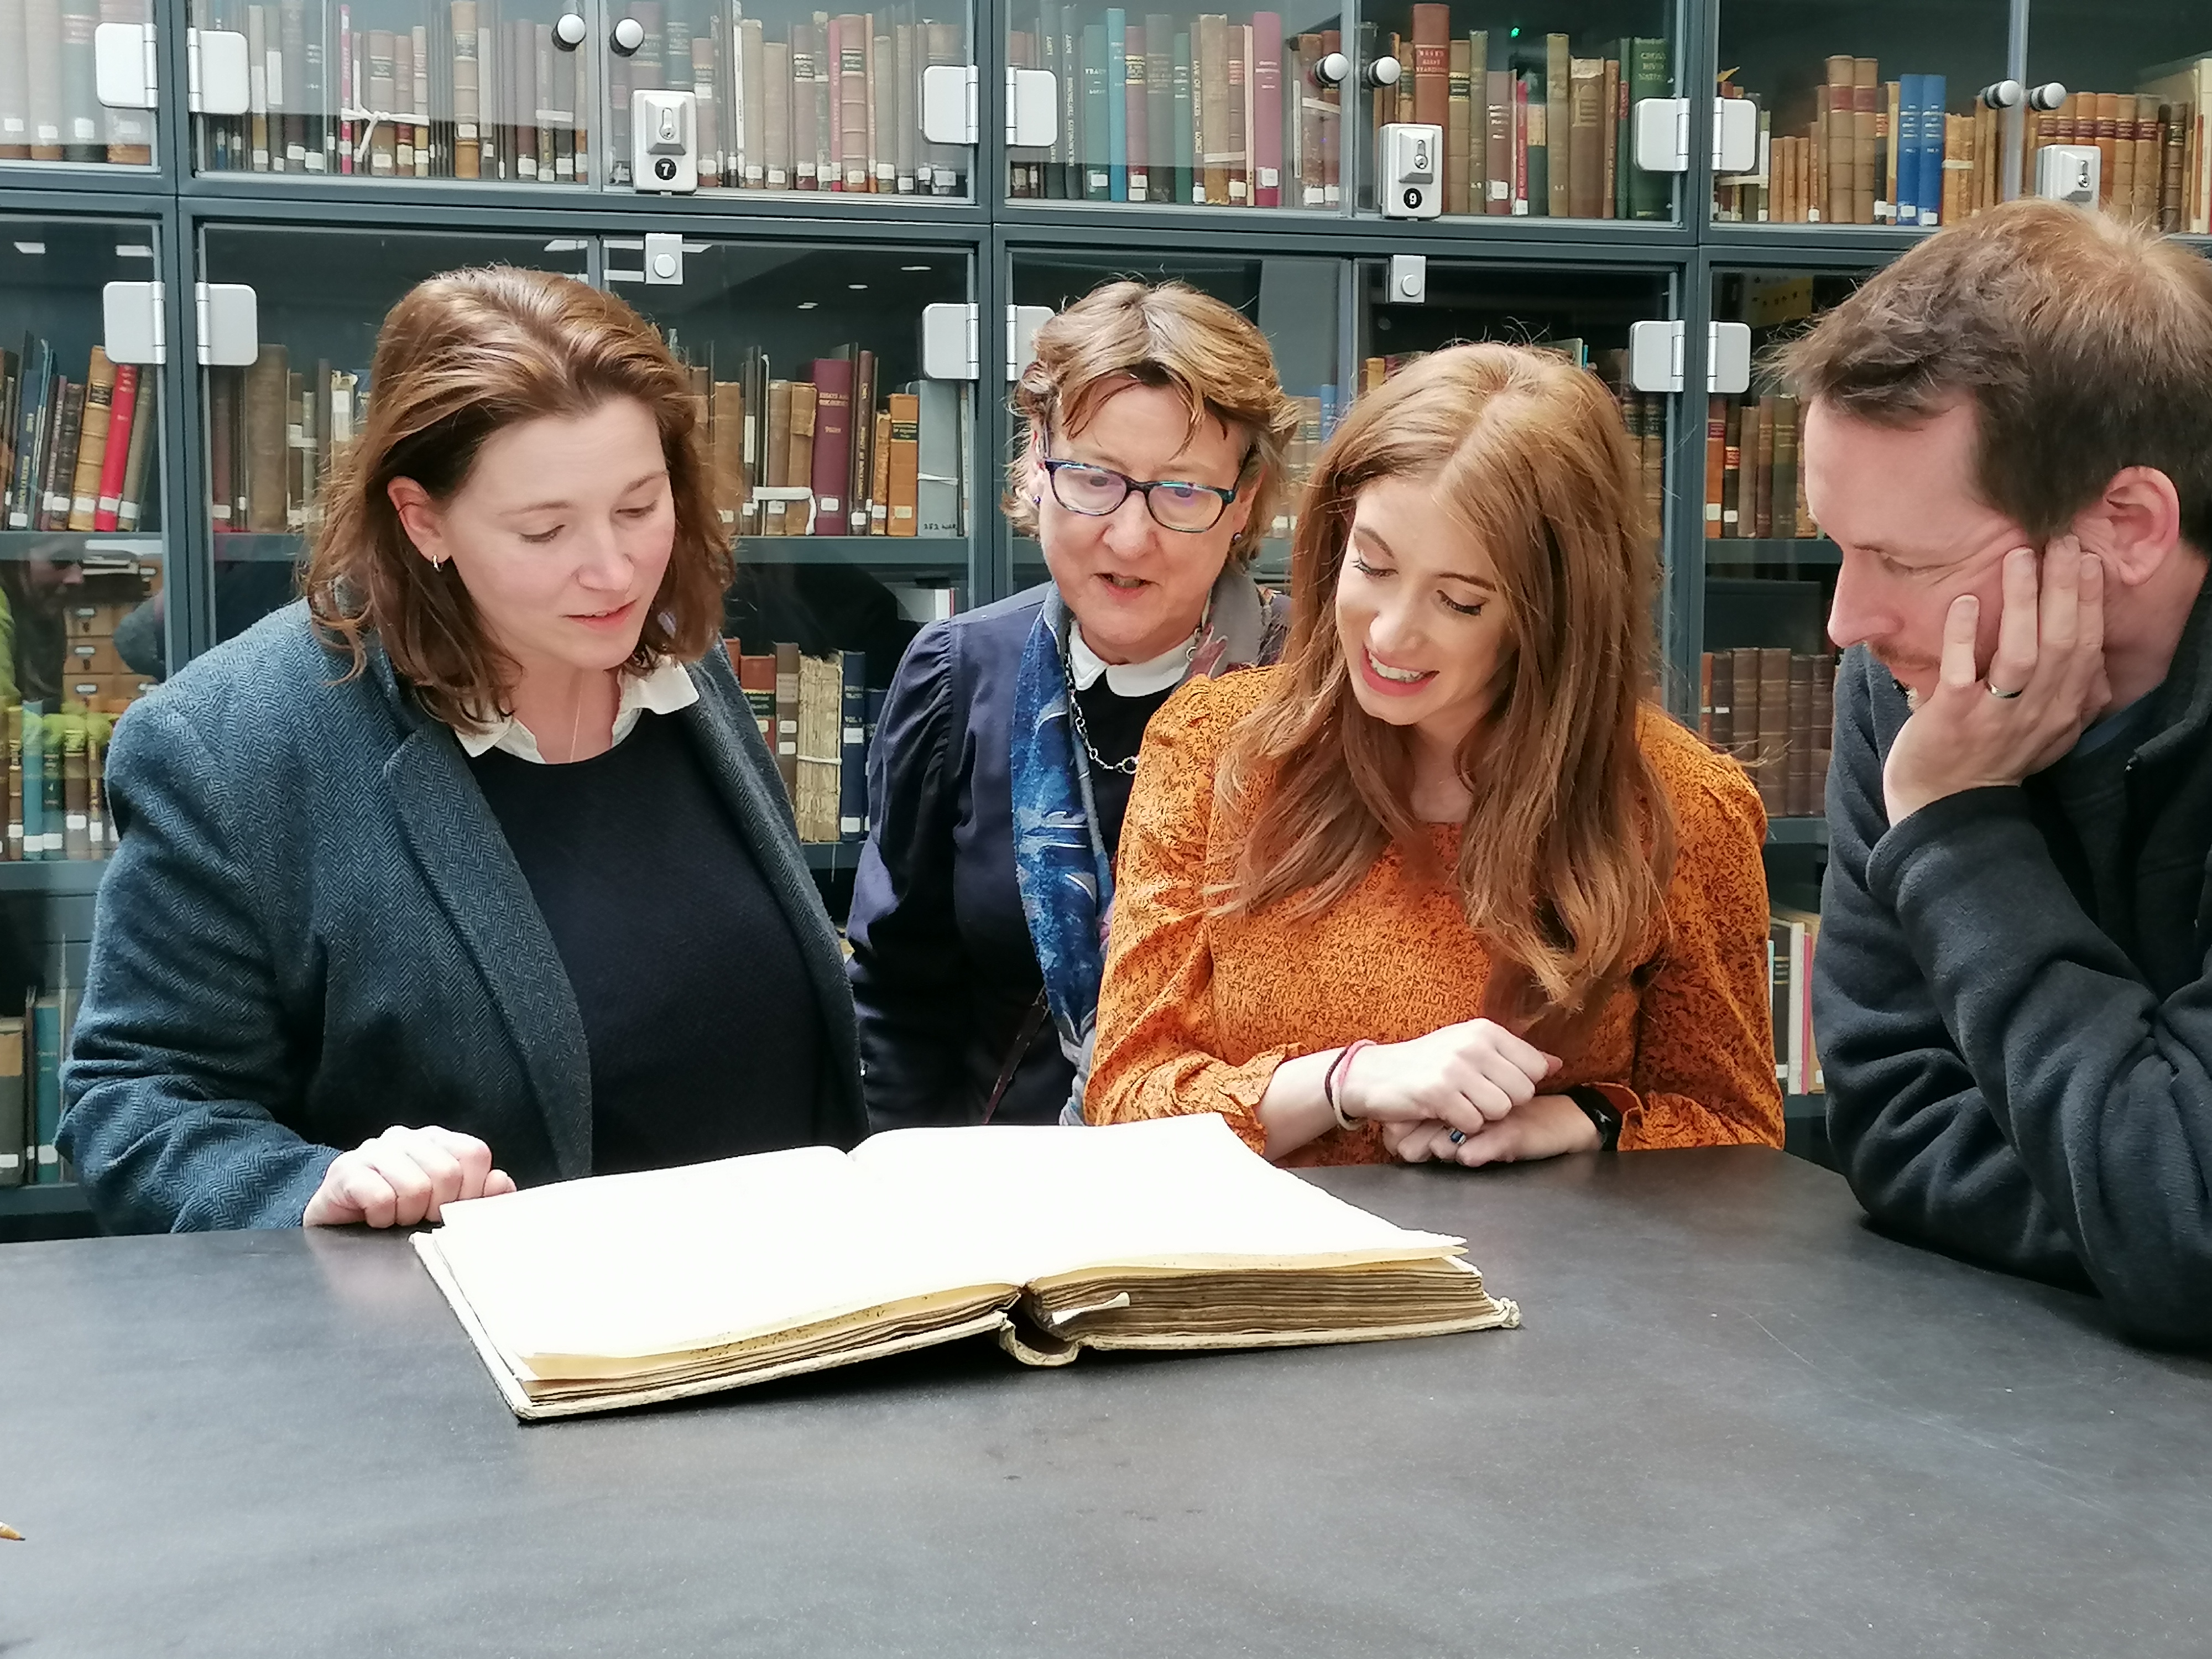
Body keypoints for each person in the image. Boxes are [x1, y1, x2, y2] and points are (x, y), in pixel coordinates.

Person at [59, 267, 865, 1233]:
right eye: (544, 529)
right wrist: (318, 1187)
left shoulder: (682, 672)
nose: (613, 570)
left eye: (640, 506)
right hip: (466, 1320)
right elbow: (136, 1103)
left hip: (788, 1302)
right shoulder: (227, 745)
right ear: (422, 518)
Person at [1086, 343, 1782, 1165]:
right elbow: (1126, 1102)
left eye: (1459, 602)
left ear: (1554, 613)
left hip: (1538, 1251)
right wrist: (1348, 1081)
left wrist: (1582, 1121)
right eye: (1372, 565)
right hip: (1263, 1251)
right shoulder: (1213, 748)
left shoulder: (1680, 805)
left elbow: (1737, 1132)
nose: (1390, 635)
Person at [1783, 200, 2212, 1347]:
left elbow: (2188, 1234)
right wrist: (2129, 1204)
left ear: (2128, 523)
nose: (1846, 622)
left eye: (1904, 560)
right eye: (1838, 547)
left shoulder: (1937, 739)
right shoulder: (1913, 676)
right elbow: (1892, 1125)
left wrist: (1960, 825)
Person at [846, 279, 1301, 1129]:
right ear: (1036, 465)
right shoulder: (957, 677)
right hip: (1004, 1185)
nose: (1129, 537)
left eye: (1182, 491)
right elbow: (897, 995)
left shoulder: (1319, 690)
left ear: (1243, 502)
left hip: (1254, 1175)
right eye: (1094, 478)